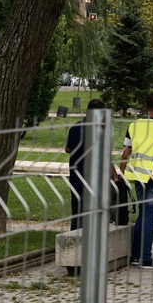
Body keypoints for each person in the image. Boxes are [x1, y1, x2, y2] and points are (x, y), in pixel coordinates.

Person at [119, 93, 153, 268]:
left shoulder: (134, 125)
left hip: (137, 175)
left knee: (143, 214)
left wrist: (120, 173)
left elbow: (126, 153)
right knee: (149, 215)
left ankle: (136, 255)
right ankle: (145, 257)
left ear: (145, 106)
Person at [65, 99, 109, 231]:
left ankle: (74, 239)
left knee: (77, 212)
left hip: (76, 175)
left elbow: (68, 149)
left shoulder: (75, 127)